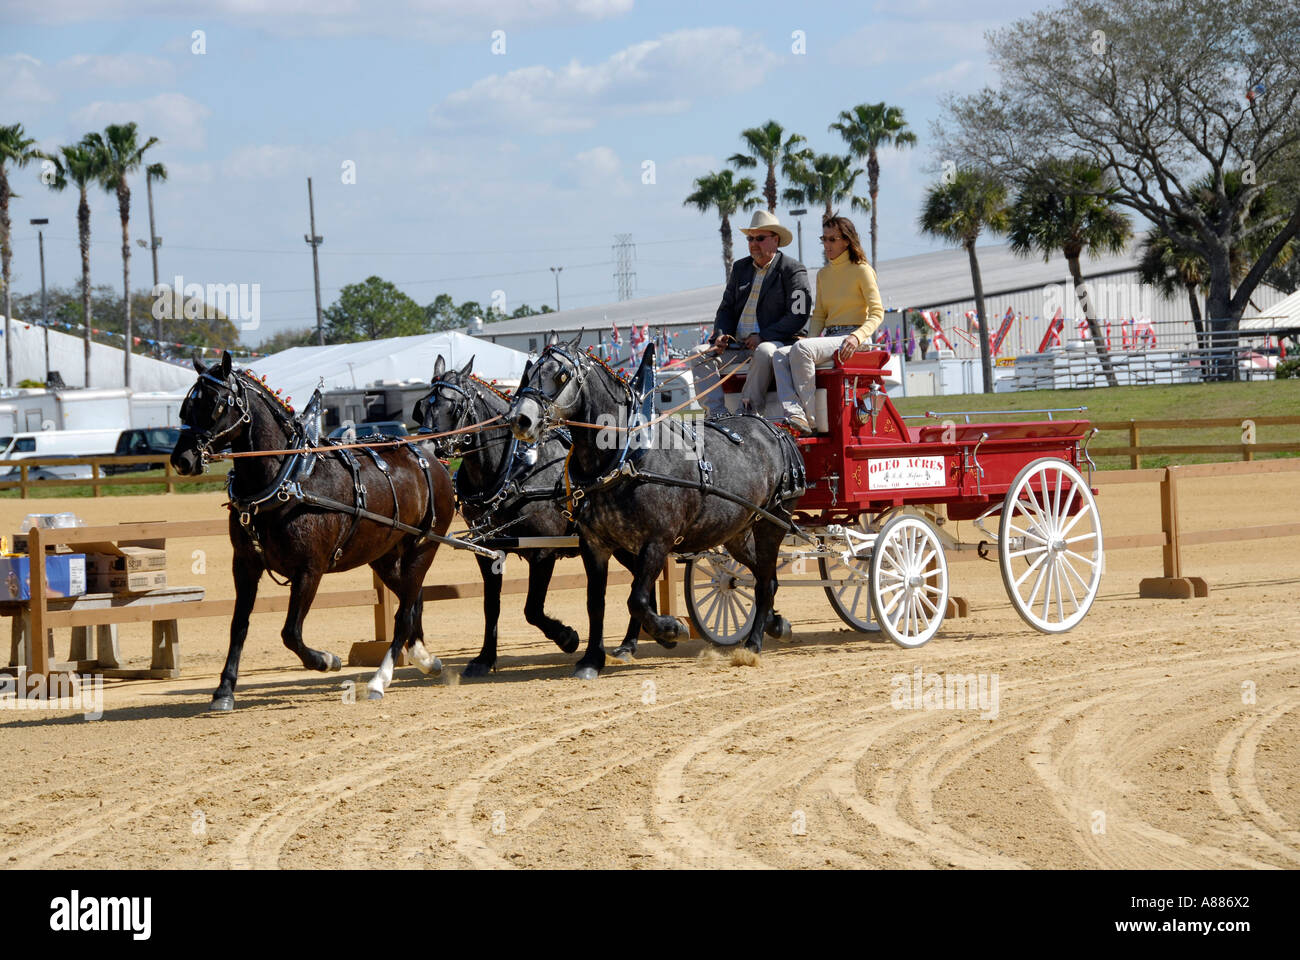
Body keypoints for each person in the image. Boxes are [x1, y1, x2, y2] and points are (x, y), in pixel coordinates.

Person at [691, 210, 811, 418]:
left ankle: (747, 413)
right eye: (750, 238)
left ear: (776, 240)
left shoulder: (793, 269)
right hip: (737, 345)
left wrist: (763, 336)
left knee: (764, 351)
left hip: (776, 343)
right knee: (699, 353)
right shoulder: (740, 268)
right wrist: (720, 334)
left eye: (760, 238)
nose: (754, 243)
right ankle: (717, 414)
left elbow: (798, 317)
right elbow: (726, 308)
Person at [770, 215, 884, 434]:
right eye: (824, 239)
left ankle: (812, 422)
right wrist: (809, 339)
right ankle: (795, 414)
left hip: (854, 339)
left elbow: (877, 313)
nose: (827, 244)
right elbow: (820, 315)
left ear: (847, 241)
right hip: (832, 339)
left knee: (801, 348)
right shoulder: (824, 274)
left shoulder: (862, 270)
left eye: (832, 239)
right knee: (779, 354)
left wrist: (857, 337)